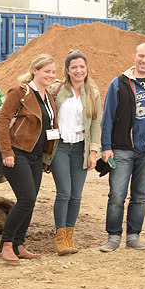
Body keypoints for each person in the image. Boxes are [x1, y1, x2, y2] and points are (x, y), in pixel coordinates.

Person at [99, 43, 145, 252]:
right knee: (117, 195)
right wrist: (106, 147)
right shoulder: (119, 83)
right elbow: (108, 116)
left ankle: (133, 236)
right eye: (141, 56)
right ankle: (113, 236)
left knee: (140, 196)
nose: (144, 60)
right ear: (134, 57)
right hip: (122, 149)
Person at [0, 54, 59, 263]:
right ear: (35, 71)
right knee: (26, 199)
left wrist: (47, 157)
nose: (51, 75)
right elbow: (2, 121)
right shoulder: (20, 92)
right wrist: (7, 152)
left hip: (36, 156)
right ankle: (5, 245)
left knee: (30, 202)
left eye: (53, 72)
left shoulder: (48, 97)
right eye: (46, 71)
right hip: (16, 152)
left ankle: (18, 245)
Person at [49, 51, 101, 256]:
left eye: (82, 67)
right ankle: (60, 238)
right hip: (60, 147)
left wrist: (93, 152)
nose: (79, 71)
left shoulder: (93, 93)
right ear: (67, 70)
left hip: (81, 148)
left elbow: (95, 124)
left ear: (87, 69)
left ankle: (70, 237)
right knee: (64, 192)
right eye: (74, 67)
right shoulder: (56, 90)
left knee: (76, 196)